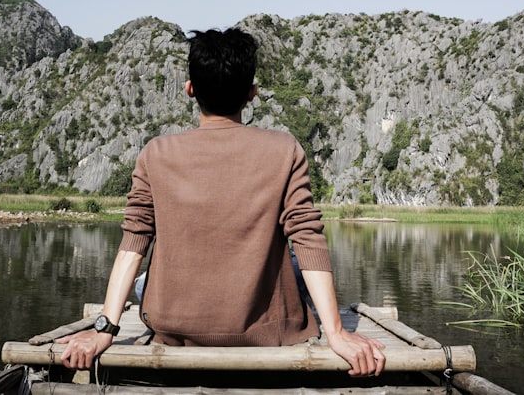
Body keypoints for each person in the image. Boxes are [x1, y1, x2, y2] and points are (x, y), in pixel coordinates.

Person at [56, 28, 385, 377]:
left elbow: (133, 242)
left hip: (174, 326)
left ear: (190, 90)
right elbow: (307, 237)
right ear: (251, 93)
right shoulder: (285, 149)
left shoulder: (155, 153)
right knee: (290, 257)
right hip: (266, 330)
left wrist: (105, 328)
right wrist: (335, 332)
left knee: (144, 282)